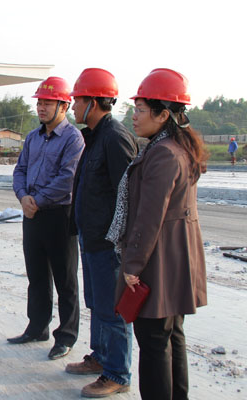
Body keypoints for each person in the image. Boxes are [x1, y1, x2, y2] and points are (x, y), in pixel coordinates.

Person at [107, 68, 208, 400]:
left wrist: (132, 266)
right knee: (171, 336)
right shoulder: (177, 148)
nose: (134, 117)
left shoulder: (163, 153)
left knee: (153, 342)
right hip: (176, 257)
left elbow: (148, 219)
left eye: (140, 110)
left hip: (159, 260)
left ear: (163, 114)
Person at [66, 68, 138, 398]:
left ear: (93, 102)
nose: (73, 106)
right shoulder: (94, 136)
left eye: (77, 100)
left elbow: (129, 194)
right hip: (91, 237)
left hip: (108, 243)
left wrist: (121, 242)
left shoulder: (115, 138)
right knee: (97, 304)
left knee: (112, 310)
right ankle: (100, 357)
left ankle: (117, 374)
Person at [10, 77, 84, 361]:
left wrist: (37, 201)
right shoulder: (33, 137)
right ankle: (37, 327)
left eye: (47, 103)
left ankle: (65, 336)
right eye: (39, 102)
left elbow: (68, 178)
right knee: (37, 275)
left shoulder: (73, 139)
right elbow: (20, 170)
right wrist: (23, 197)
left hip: (59, 216)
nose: (41, 107)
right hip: (32, 214)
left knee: (65, 279)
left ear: (63, 106)